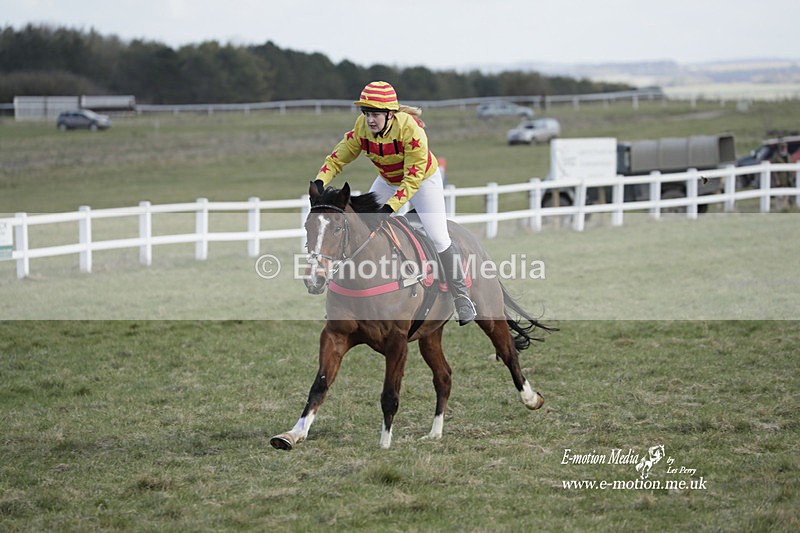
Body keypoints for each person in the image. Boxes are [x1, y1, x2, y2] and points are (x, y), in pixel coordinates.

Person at [313, 81, 476, 325]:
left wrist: (389, 208)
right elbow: (337, 159)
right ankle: (351, 298)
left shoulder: (412, 131)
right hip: (388, 180)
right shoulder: (361, 128)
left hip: (422, 180)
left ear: (390, 114)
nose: (370, 120)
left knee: (439, 236)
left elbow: (412, 179)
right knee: (360, 229)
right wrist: (319, 181)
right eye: (366, 113)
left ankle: (462, 297)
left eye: (375, 114)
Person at [770, 142, 794, 209]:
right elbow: (774, 171)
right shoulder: (776, 157)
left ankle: (785, 208)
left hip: (787, 180)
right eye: (782, 147)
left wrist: (790, 178)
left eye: (785, 147)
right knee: (779, 197)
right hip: (780, 180)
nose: (783, 149)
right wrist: (777, 180)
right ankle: (779, 208)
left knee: (786, 196)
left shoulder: (788, 156)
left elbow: (791, 168)